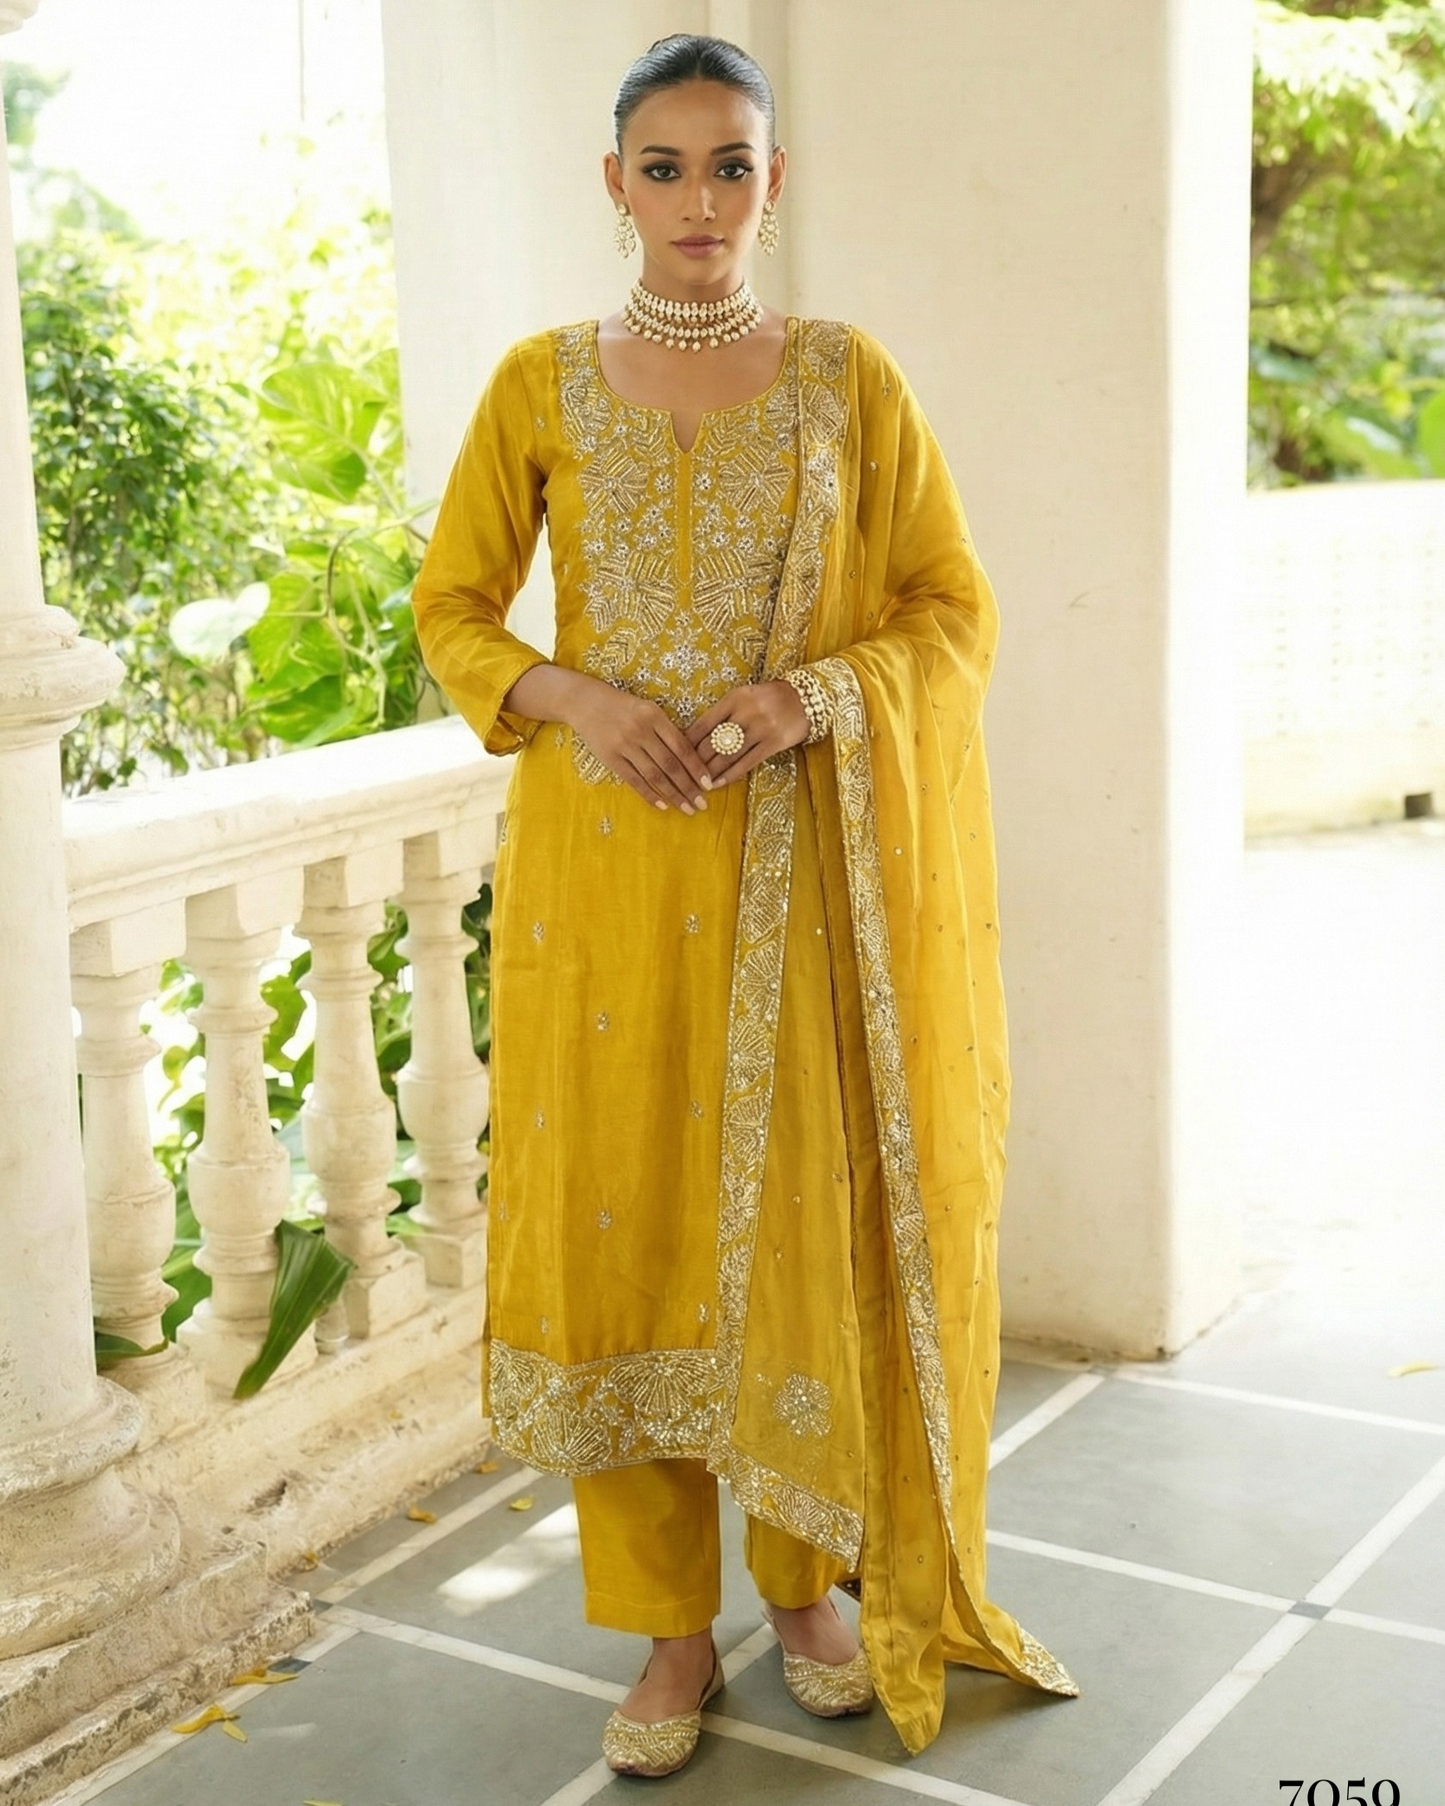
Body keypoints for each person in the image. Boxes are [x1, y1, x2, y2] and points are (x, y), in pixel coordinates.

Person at [411, 31, 1079, 1779]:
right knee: (628, 1231)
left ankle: (803, 1595)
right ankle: (660, 1629)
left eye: (732, 164)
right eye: (666, 165)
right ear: (612, 185)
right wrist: (585, 702)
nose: (701, 199)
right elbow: (458, 611)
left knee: (789, 1217)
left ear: (774, 183)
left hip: (796, 876)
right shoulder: (539, 384)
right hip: (604, 891)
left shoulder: (849, 380)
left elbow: (951, 606)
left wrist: (814, 699)